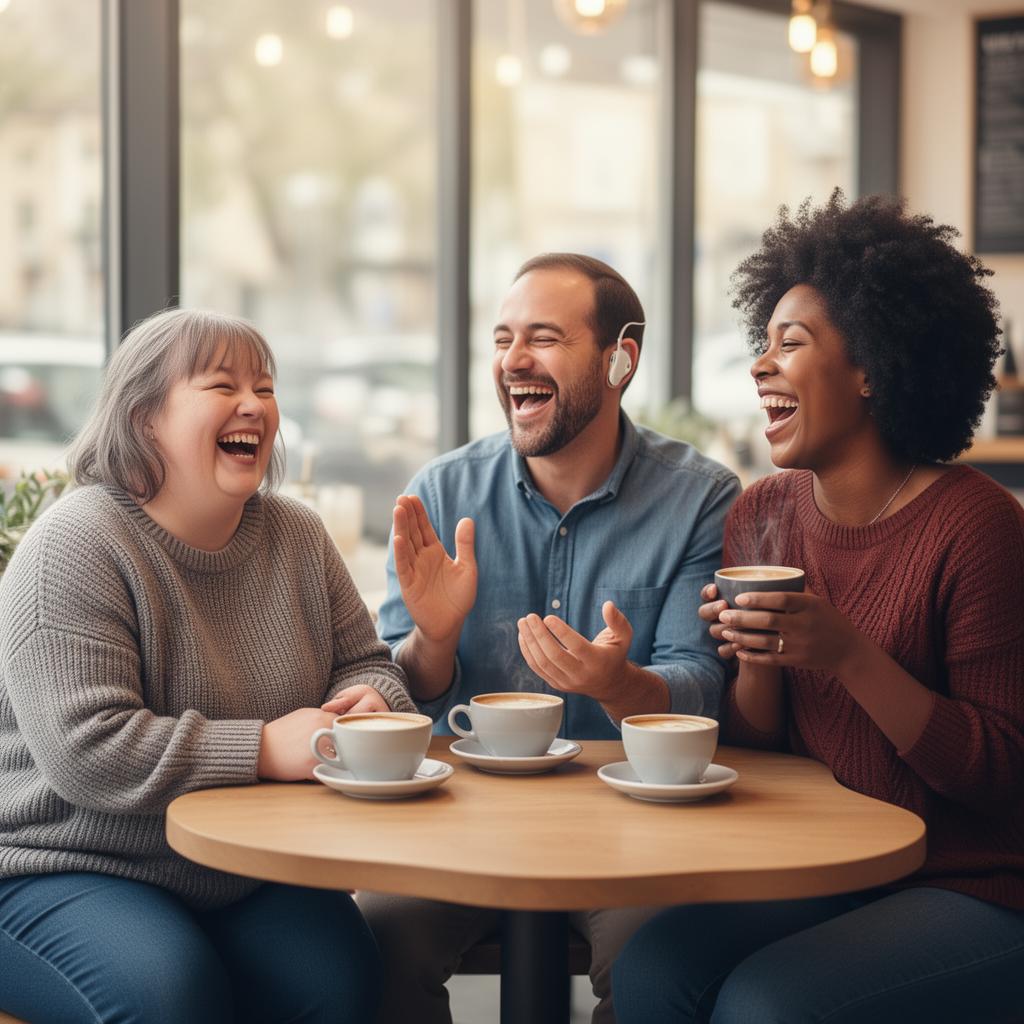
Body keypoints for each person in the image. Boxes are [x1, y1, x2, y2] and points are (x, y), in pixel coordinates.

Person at [611, 191, 1024, 1023]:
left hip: (973, 881)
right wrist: (758, 658)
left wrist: (848, 654)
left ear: (872, 366)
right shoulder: (763, 513)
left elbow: (998, 775)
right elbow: (762, 739)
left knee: (768, 1006)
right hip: (829, 863)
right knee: (649, 969)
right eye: (760, 345)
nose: (761, 365)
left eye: (790, 345)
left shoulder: (979, 527)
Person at [0, 309, 415, 1024]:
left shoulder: (298, 536)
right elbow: (87, 750)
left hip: (237, 867)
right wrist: (261, 747)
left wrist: (366, 704)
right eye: (222, 385)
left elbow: (370, 667)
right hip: (57, 864)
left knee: (343, 983)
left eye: (266, 386)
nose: (254, 404)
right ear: (144, 419)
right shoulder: (74, 544)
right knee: (170, 997)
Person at [362, 253, 740, 1024]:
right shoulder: (442, 491)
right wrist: (434, 642)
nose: (513, 361)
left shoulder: (702, 498)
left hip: (635, 832)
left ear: (619, 361)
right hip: (456, 825)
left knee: (657, 974)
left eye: (542, 338)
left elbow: (703, 683)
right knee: (369, 945)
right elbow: (390, 687)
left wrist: (617, 684)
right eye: (503, 339)